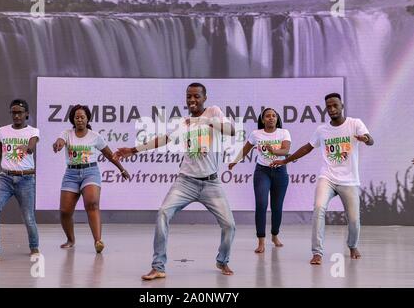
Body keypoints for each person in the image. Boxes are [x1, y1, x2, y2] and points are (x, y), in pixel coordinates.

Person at [115, 82, 236, 279]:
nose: (192, 100)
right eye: (189, 96)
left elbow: (231, 130)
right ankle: (158, 266)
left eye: (196, 96)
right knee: (163, 213)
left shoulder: (213, 112)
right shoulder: (184, 123)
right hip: (186, 181)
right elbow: (163, 139)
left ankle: (222, 261)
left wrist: (208, 122)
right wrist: (133, 150)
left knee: (229, 225)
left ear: (205, 98)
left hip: (211, 183)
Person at [271, 93, 374, 265]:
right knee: (319, 208)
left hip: (349, 180)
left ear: (342, 105)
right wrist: (285, 160)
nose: (332, 109)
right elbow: (306, 148)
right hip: (327, 177)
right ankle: (317, 252)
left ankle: (352, 245)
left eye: (335, 105)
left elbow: (370, 140)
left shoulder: (355, 123)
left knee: (354, 219)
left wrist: (366, 139)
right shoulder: (322, 130)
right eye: (329, 107)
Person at [53, 104, 129, 253]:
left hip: (90, 172)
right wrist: (57, 145)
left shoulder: (95, 136)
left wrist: (121, 168)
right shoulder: (67, 134)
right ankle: (70, 239)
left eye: (82, 117)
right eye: (76, 117)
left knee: (92, 204)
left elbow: (109, 154)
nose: (79, 120)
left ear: (87, 119)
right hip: (71, 174)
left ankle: (98, 241)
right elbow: (60, 142)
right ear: (72, 119)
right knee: (65, 211)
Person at [0, 99, 40, 264]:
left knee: (28, 217)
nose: (16, 115)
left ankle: (34, 247)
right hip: (5, 179)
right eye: (13, 112)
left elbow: (32, 144)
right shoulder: (2, 131)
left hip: (26, 179)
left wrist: (27, 149)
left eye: (20, 112)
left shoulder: (33, 131)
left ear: (26, 114)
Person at [229, 108, 291, 253]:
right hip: (262, 171)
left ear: (277, 119)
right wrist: (234, 162)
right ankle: (261, 241)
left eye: (273, 116)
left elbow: (286, 150)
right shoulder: (256, 134)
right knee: (261, 204)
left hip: (280, 172)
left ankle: (275, 235)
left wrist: (273, 151)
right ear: (262, 120)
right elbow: (245, 150)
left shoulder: (284, 132)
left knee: (277, 207)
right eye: (267, 116)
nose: (271, 118)